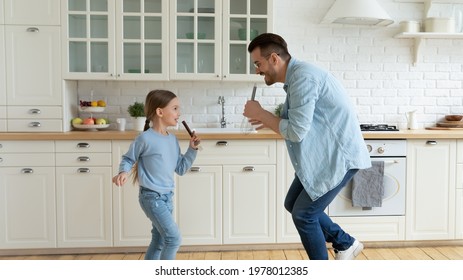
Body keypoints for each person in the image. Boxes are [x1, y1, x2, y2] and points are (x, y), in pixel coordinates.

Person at [243, 33, 371, 260]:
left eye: (258, 63)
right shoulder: (297, 77)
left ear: (274, 58)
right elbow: (301, 123)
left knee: (304, 215)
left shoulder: (303, 77)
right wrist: (265, 121)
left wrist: (262, 113)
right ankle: (344, 242)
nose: (257, 70)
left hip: (339, 157)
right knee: (293, 204)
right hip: (325, 157)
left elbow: (296, 131)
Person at [112, 89, 201, 260]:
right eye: (175, 108)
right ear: (160, 112)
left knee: (160, 240)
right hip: (152, 198)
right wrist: (123, 172)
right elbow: (128, 159)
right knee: (173, 238)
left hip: (167, 197)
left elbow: (181, 168)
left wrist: (192, 149)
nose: (178, 112)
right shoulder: (145, 139)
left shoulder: (172, 139)